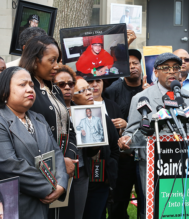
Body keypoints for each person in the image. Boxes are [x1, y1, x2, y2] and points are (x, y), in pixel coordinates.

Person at [117, 53, 189, 216]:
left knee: (182, 210)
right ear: (155, 72)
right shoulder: (141, 98)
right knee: (154, 212)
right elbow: (131, 133)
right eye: (166, 68)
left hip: (186, 166)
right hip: (153, 167)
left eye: (176, 68)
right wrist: (126, 142)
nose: (172, 72)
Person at [0, 67, 68, 219]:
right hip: (16, 205)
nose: (30, 89)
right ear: (4, 91)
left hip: (43, 204)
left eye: (32, 86)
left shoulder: (38, 118)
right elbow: (10, 165)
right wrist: (48, 188)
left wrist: (61, 185)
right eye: (22, 85)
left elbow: (57, 153)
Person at [18, 35, 78, 218]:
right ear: (35, 60)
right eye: (51, 60)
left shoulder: (56, 89)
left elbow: (70, 129)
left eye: (58, 60)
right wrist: (60, 163)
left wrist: (69, 158)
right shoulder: (26, 91)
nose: (57, 66)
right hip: (39, 172)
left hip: (65, 170)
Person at [103, 49, 149, 218]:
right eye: (128, 64)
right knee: (118, 202)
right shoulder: (113, 90)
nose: (132, 67)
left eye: (135, 63)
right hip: (123, 158)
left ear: (141, 65)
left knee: (146, 200)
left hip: (145, 156)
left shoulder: (150, 89)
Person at [72, 77, 120, 219]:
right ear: (72, 97)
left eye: (89, 89)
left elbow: (115, 148)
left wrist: (109, 171)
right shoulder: (66, 118)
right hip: (76, 181)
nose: (89, 92)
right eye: (82, 90)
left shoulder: (102, 117)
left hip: (99, 182)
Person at [53, 65, 88, 219]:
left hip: (80, 170)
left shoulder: (85, 112)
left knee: (77, 213)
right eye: (61, 84)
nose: (67, 87)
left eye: (71, 83)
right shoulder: (47, 112)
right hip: (55, 170)